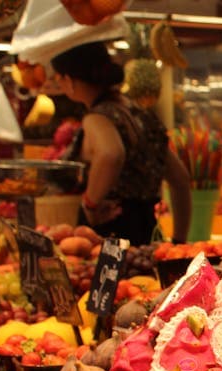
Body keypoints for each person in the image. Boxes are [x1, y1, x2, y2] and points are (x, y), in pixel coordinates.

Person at [50, 41, 191, 244]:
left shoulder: (98, 116)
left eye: (59, 79)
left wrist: (90, 203)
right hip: (146, 231)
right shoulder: (141, 115)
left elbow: (111, 154)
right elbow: (180, 179)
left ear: (70, 80)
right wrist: (179, 240)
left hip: (108, 232)